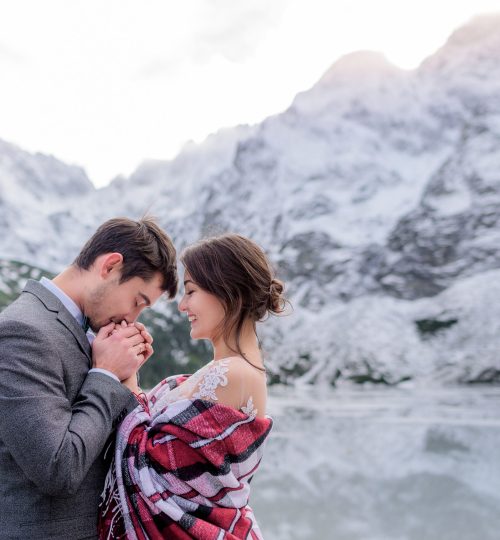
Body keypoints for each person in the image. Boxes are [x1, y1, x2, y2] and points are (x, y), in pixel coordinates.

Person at [99, 233, 287, 540]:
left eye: (191, 291)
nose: (183, 306)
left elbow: (159, 469)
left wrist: (124, 379)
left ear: (226, 290)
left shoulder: (234, 373)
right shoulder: (223, 370)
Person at [0, 216, 178, 539]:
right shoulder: (22, 331)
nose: (133, 318)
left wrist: (127, 380)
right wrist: (107, 374)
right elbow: (58, 469)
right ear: (110, 266)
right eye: (137, 301)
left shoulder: (92, 334)